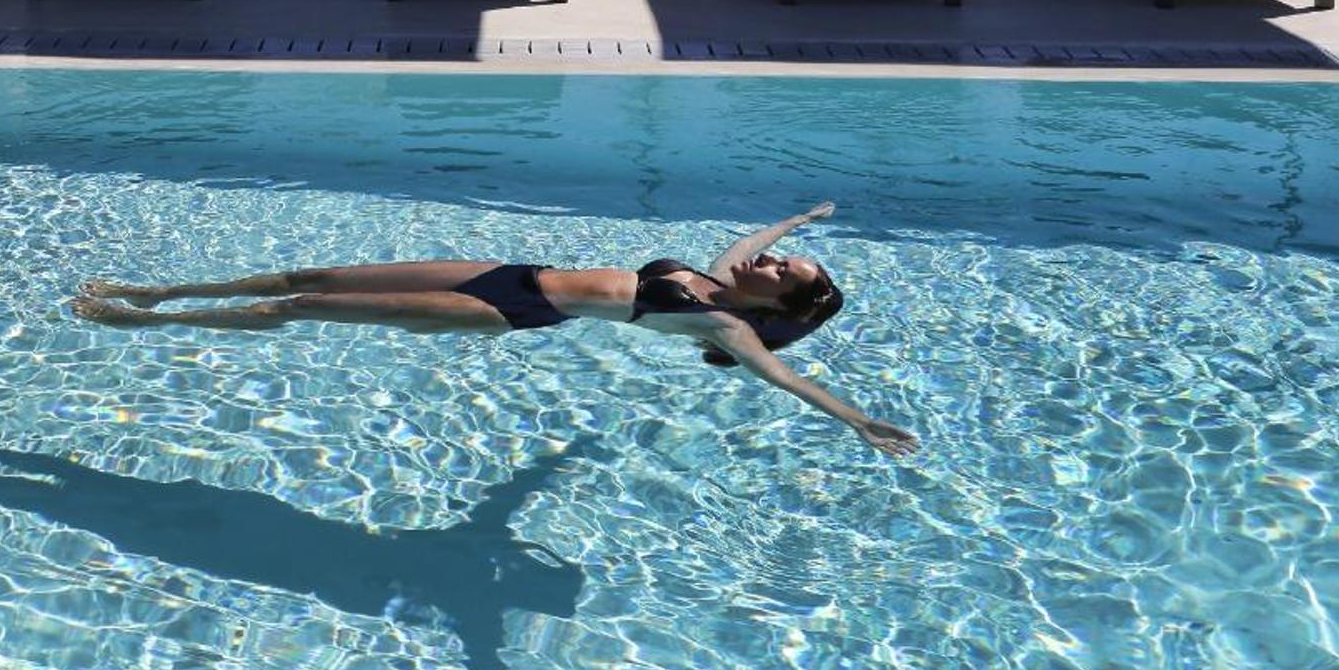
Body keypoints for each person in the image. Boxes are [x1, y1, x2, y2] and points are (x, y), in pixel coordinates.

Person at [73, 202, 919, 458]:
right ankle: (159, 292)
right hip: (509, 270)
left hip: (511, 310)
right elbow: (746, 241)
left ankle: (145, 323)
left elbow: (784, 379)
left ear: (776, 306)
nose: (768, 261)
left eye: (782, 270)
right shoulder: (715, 275)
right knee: (310, 278)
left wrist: (856, 420)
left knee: (298, 311)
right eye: (782, 258)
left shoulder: (726, 325)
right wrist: (798, 221)